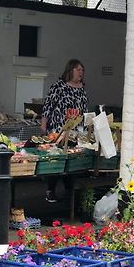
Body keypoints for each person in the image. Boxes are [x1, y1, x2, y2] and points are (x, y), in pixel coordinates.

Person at [41, 59, 88, 202]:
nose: (81, 72)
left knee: (72, 159)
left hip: (75, 130)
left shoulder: (82, 88)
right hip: (58, 129)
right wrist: (44, 125)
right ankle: (51, 190)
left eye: (82, 70)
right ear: (70, 70)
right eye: (78, 69)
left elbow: (84, 110)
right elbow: (48, 105)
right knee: (56, 159)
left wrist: (85, 129)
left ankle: (69, 190)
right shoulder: (59, 86)